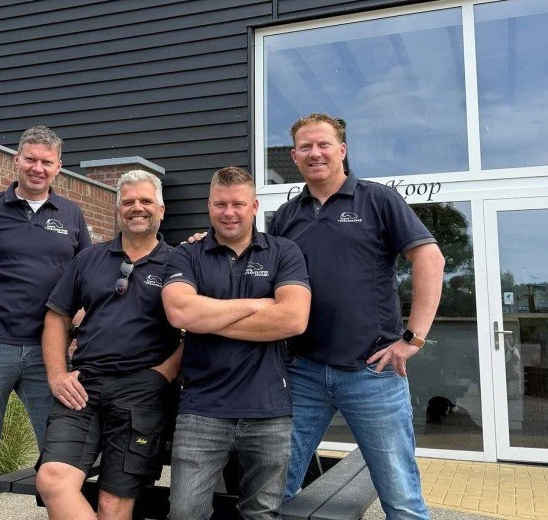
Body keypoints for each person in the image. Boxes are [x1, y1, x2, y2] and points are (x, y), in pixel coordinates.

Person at [271, 113, 445, 518]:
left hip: (372, 372)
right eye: (305, 147)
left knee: (402, 499)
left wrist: (412, 338)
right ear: (294, 156)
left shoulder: (378, 199)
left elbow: (430, 258)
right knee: (272, 489)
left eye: (324, 144)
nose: (315, 153)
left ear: (342, 150)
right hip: (303, 372)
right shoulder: (286, 215)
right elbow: (261, 273)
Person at [0, 126, 91, 520]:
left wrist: (81, 327)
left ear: (58, 167)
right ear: (17, 160)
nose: (37, 168)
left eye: (46, 162)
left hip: (49, 355)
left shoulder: (72, 215)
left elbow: (86, 280)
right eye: (31, 159)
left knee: (60, 457)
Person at [162, 166, 311, 520]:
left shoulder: (283, 251)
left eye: (238, 204)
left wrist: (208, 319)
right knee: (184, 513)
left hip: (268, 409)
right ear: (209, 205)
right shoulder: (187, 254)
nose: (229, 213)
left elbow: (293, 319)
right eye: (221, 204)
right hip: (202, 409)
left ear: (254, 206)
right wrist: (259, 305)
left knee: (261, 514)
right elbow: (180, 312)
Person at [36, 170, 182, 520]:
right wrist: (57, 375)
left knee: (112, 506)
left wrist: (163, 375)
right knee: (53, 480)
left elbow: (195, 330)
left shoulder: (180, 262)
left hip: (141, 393)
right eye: (128, 202)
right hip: (84, 388)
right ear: (118, 210)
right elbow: (56, 316)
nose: (137, 208)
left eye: (146, 201)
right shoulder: (89, 258)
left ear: (161, 209)